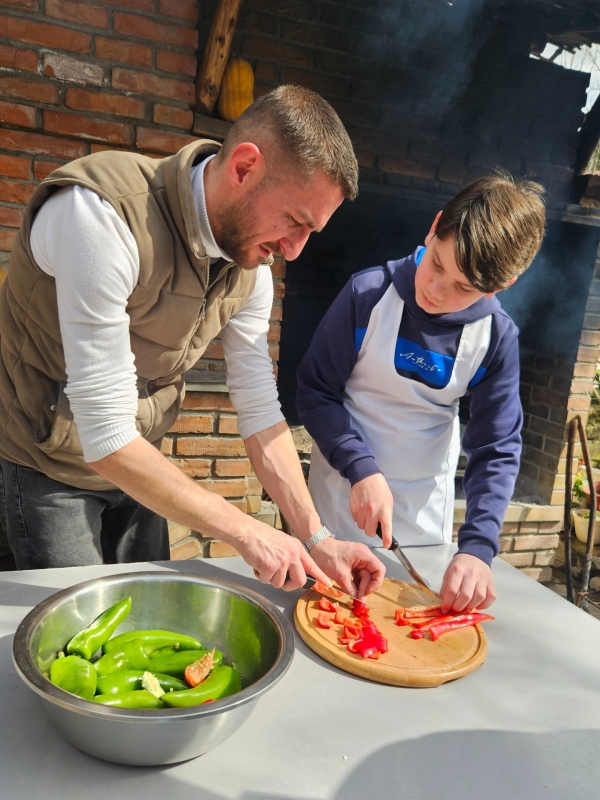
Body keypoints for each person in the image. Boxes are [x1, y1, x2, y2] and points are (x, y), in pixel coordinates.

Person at [0, 85, 384, 598]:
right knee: (80, 643)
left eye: (311, 231)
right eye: (295, 221)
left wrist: (315, 537)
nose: (294, 250)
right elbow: (107, 433)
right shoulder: (98, 216)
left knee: (151, 616)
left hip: (141, 464)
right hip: (45, 463)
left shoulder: (254, 265)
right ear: (244, 166)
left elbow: (259, 410)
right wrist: (246, 530)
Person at [296, 174, 546, 613]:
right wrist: (360, 467)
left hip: (422, 523)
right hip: (336, 506)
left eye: (463, 288)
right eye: (437, 264)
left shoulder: (496, 338)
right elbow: (315, 392)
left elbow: (496, 447)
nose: (435, 290)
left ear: (499, 288)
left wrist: (477, 548)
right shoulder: (367, 294)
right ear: (433, 228)